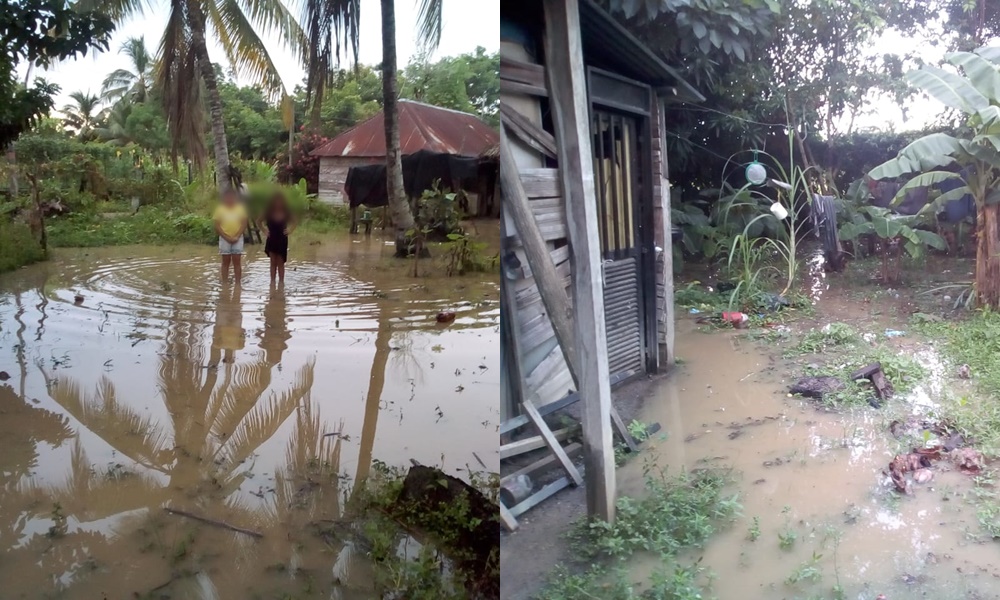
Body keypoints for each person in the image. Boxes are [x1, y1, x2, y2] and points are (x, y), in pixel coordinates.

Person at [257, 192, 296, 285]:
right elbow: (258, 221)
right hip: (272, 238)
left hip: (282, 239)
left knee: (281, 262)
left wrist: (290, 230)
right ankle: (272, 282)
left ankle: (281, 283)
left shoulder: (286, 212)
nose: (278, 203)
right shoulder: (268, 212)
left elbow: (295, 222)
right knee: (272, 261)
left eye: (280, 201)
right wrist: (264, 230)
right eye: (276, 201)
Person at [213, 188, 248, 282]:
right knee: (225, 262)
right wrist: (226, 237)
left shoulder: (240, 208)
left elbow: (244, 223)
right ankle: (225, 283)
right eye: (228, 197)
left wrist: (237, 236)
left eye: (232, 197)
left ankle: (238, 283)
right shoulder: (220, 209)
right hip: (224, 238)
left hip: (238, 238)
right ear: (224, 198)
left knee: (237, 262)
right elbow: (217, 225)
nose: (230, 199)